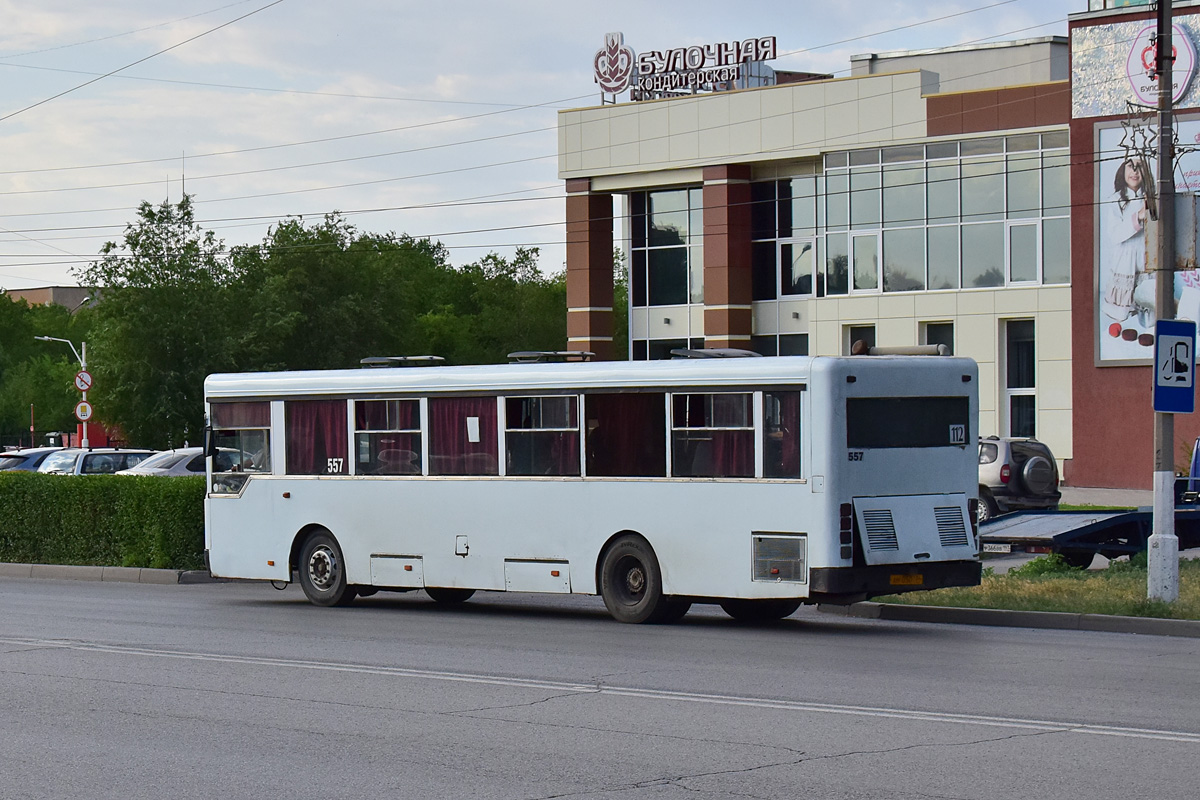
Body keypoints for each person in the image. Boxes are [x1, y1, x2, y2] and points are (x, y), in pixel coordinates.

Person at [1103, 158, 1157, 322]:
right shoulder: (1115, 200)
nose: (1134, 171)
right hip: (1124, 261)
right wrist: (1138, 216)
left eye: (1139, 167)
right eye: (1130, 166)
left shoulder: (1151, 199)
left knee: (1149, 318)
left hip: (1146, 258)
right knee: (1121, 317)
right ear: (1122, 170)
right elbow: (1115, 234)